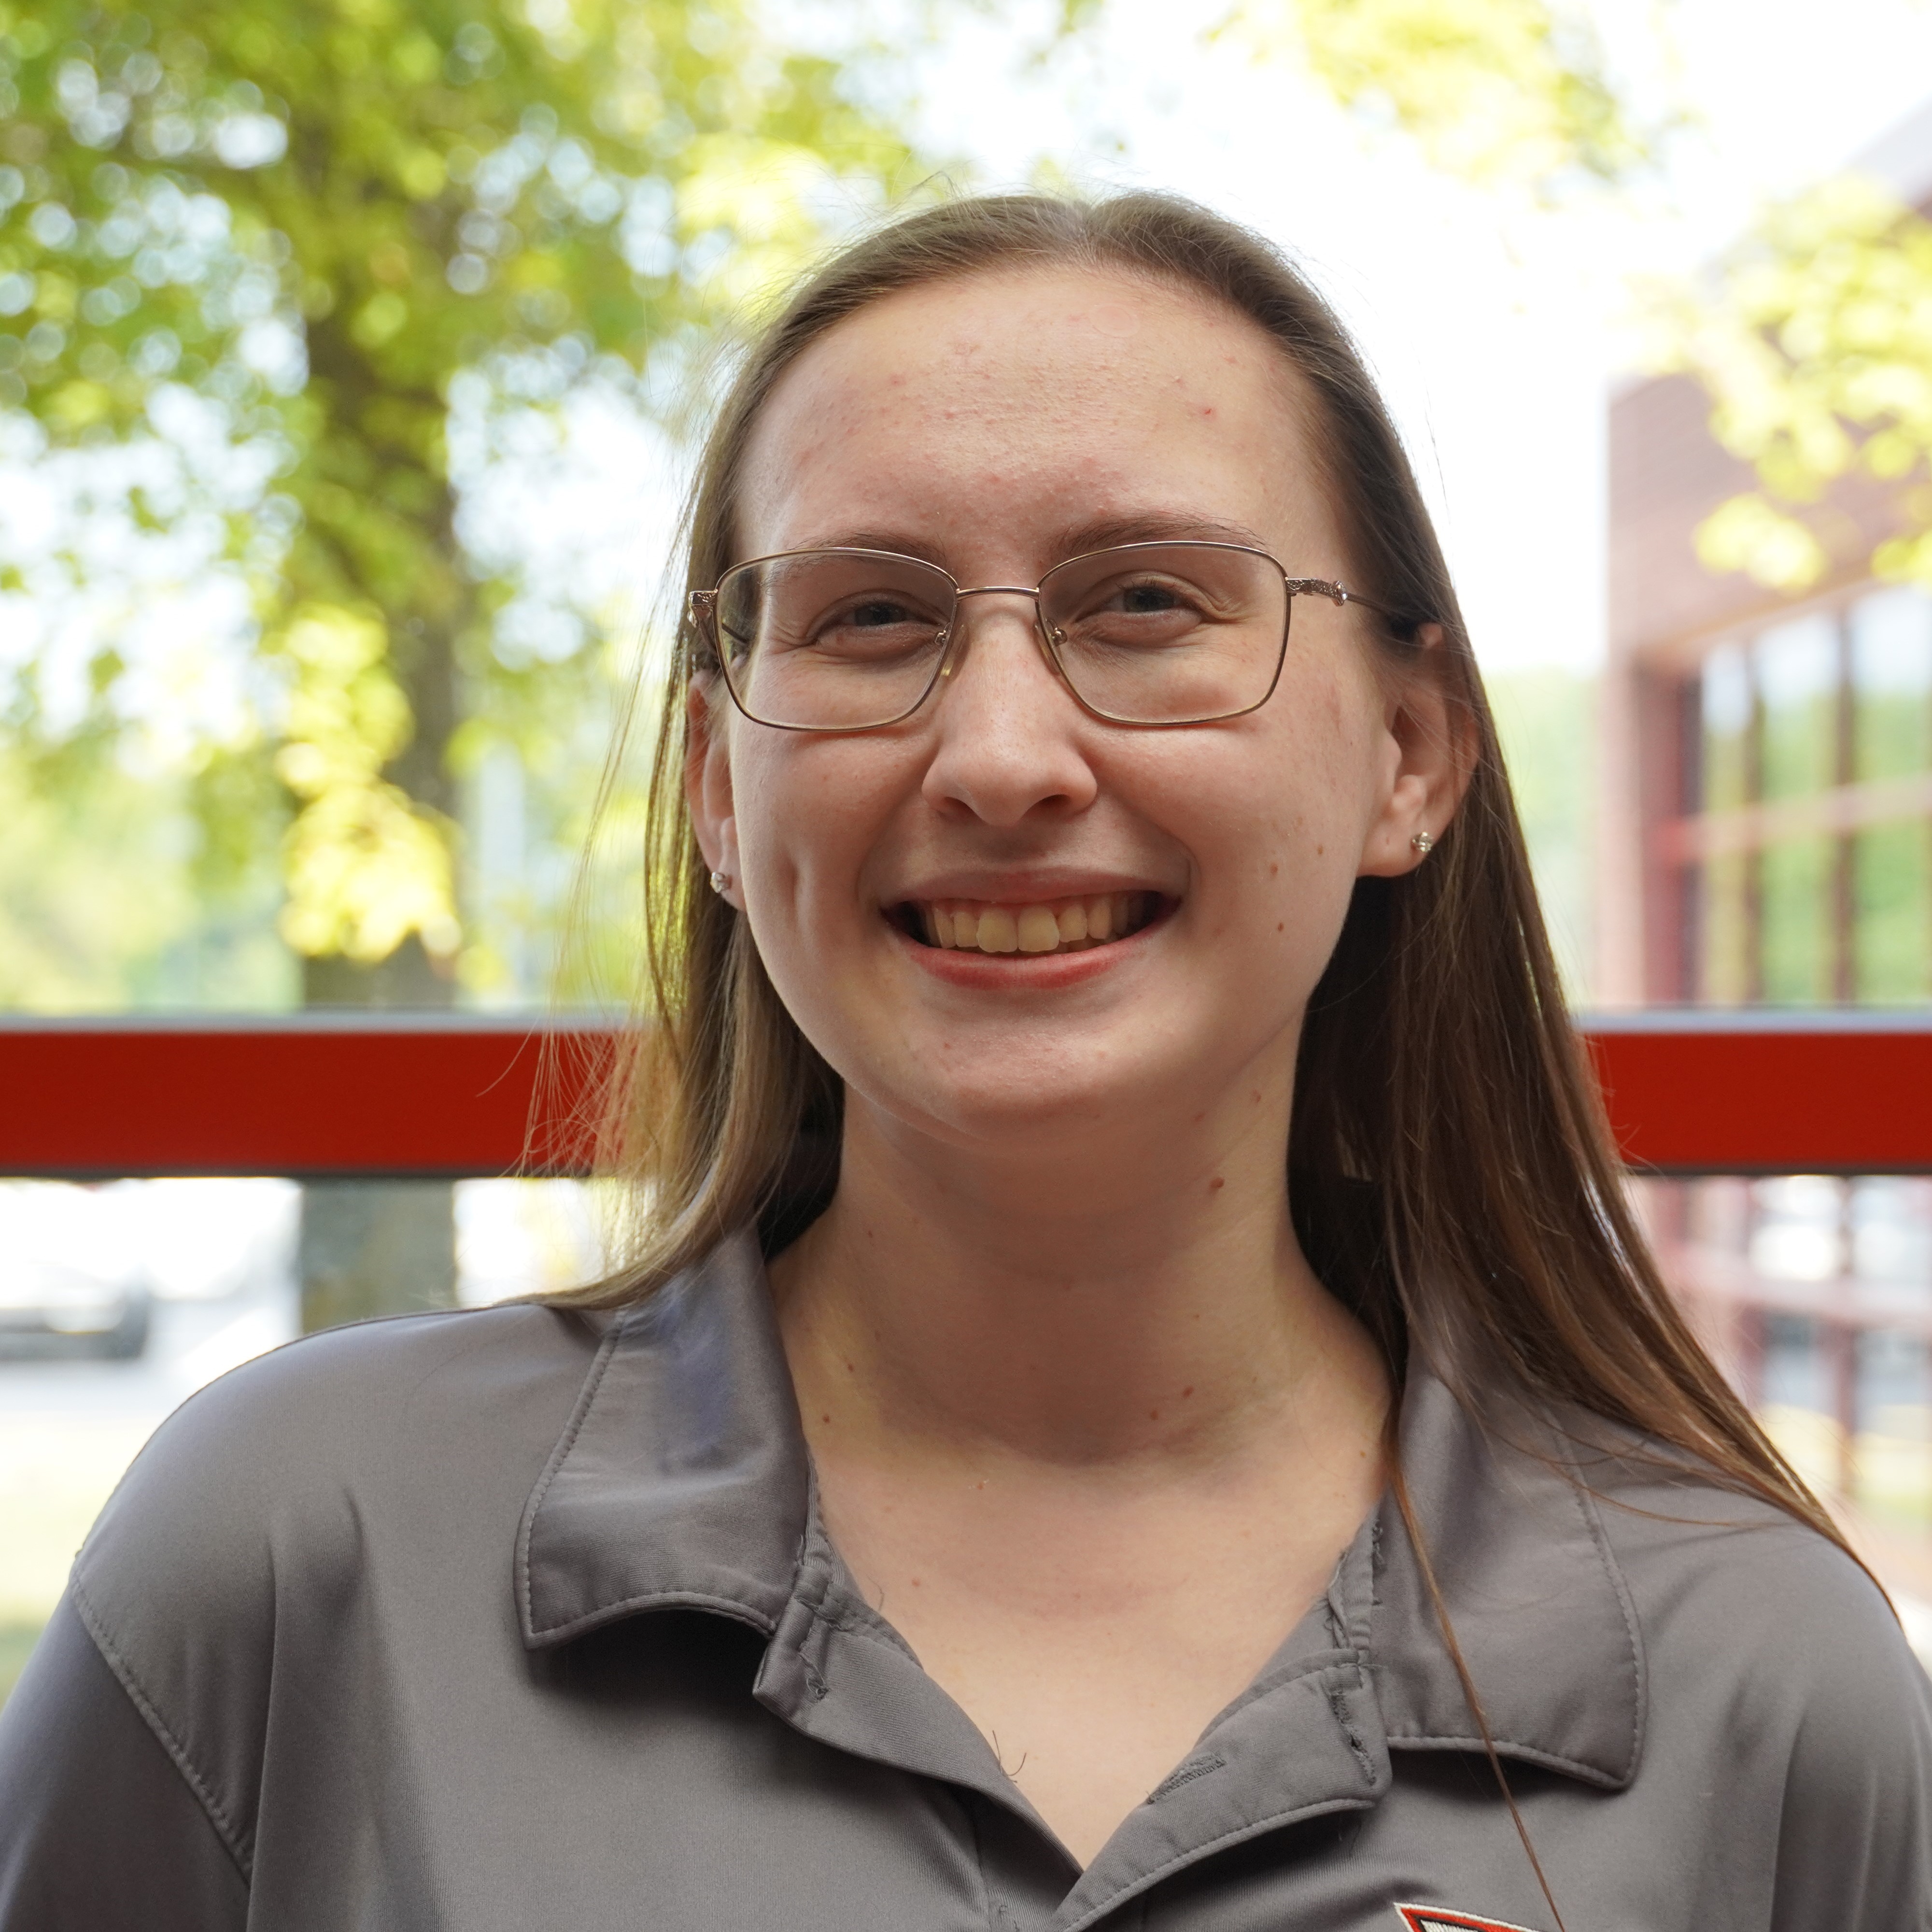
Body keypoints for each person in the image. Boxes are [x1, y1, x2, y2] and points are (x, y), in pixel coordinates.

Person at [1, 191, 1927, 1932]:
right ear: (717, 793)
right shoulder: (295, 1564)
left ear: (1406, 753)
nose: (1001, 758)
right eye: (870, 618)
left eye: (1145, 601)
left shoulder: (1767, 1696)